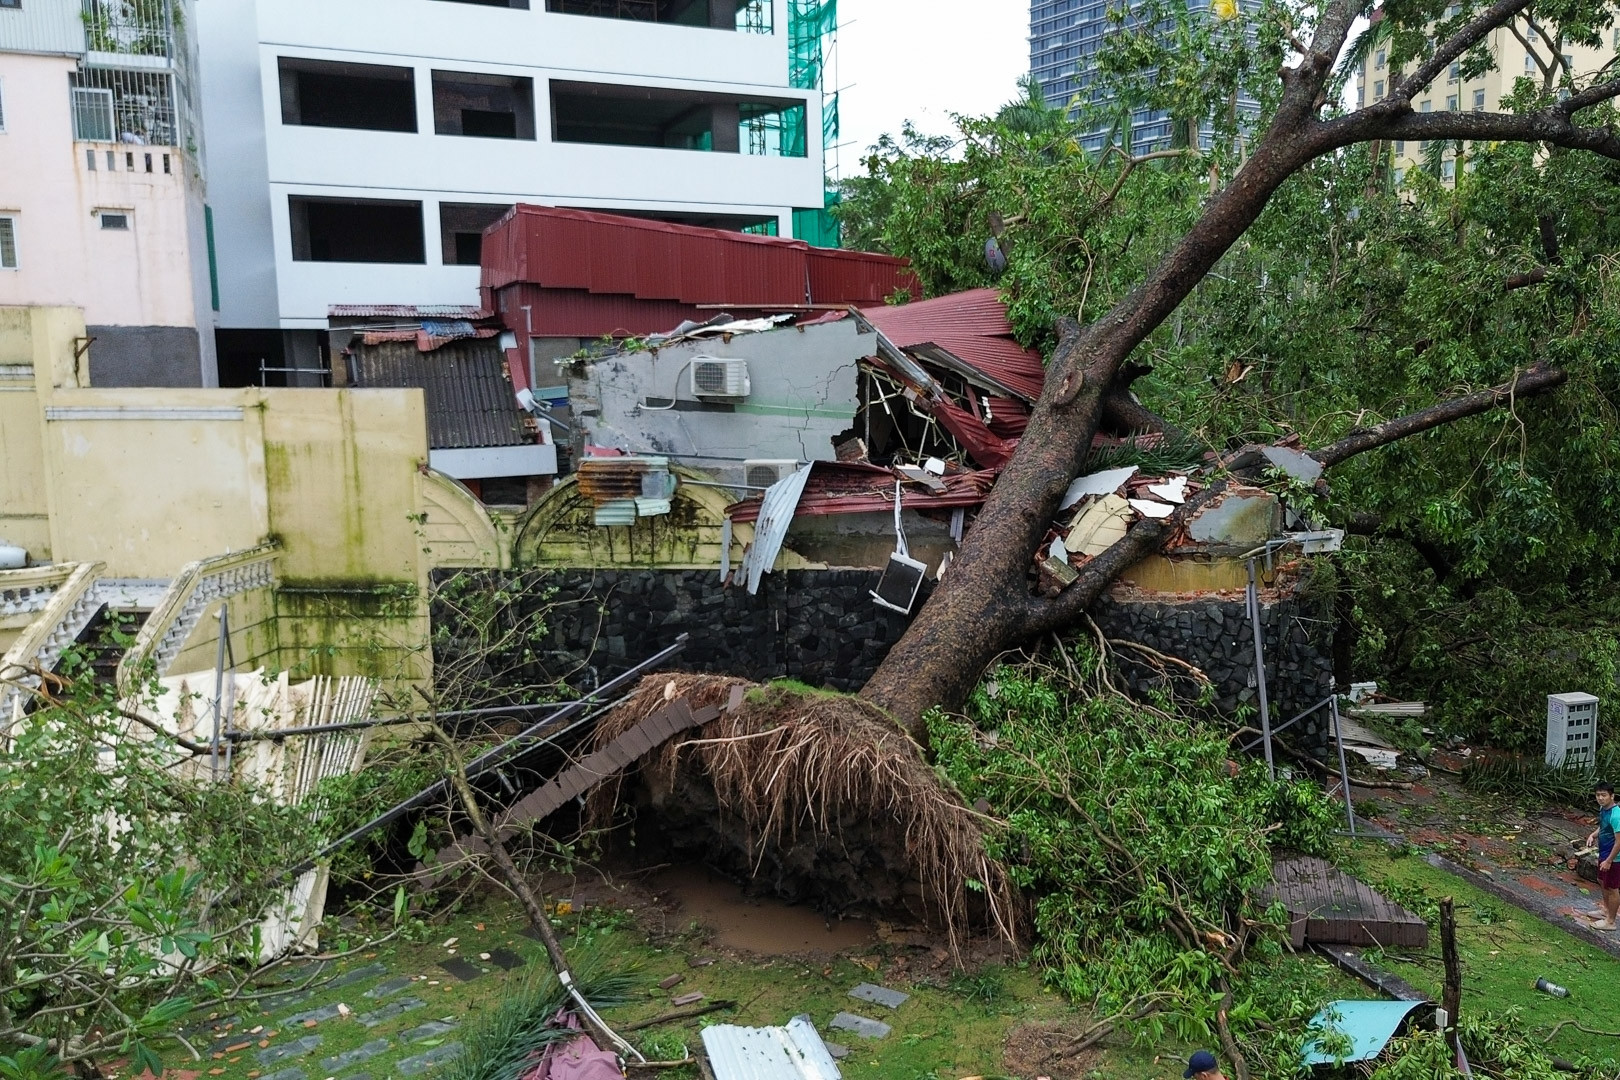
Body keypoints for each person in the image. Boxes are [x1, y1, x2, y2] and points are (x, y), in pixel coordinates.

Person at [1586, 781, 1620, 931]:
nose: (1600, 798)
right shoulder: (1603, 809)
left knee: (1612, 888)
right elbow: (1603, 826)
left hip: (1614, 858)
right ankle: (1606, 910)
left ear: (1612, 796)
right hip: (1604, 852)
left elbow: (1619, 841)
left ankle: (1611, 922)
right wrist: (1593, 835)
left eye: (1604, 795)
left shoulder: (1616, 815)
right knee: (1601, 880)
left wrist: (1609, 860)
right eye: (1598, 795)